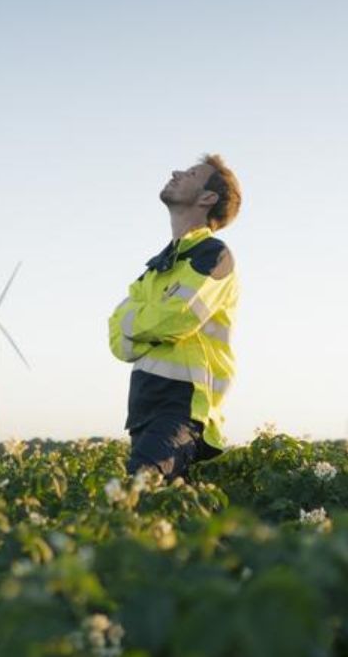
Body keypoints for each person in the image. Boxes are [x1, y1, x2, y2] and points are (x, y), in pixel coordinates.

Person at [107, 153, 242, 478]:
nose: (176, 172)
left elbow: (176, 318)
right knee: (159, 515)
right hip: (143, 408)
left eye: (192, 173)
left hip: (183, 409)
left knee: (137, 492)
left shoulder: (213, 256)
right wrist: (151, 323)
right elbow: (117, 342)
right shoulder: (154, 271)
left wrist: (137, 322)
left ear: (208, 198)